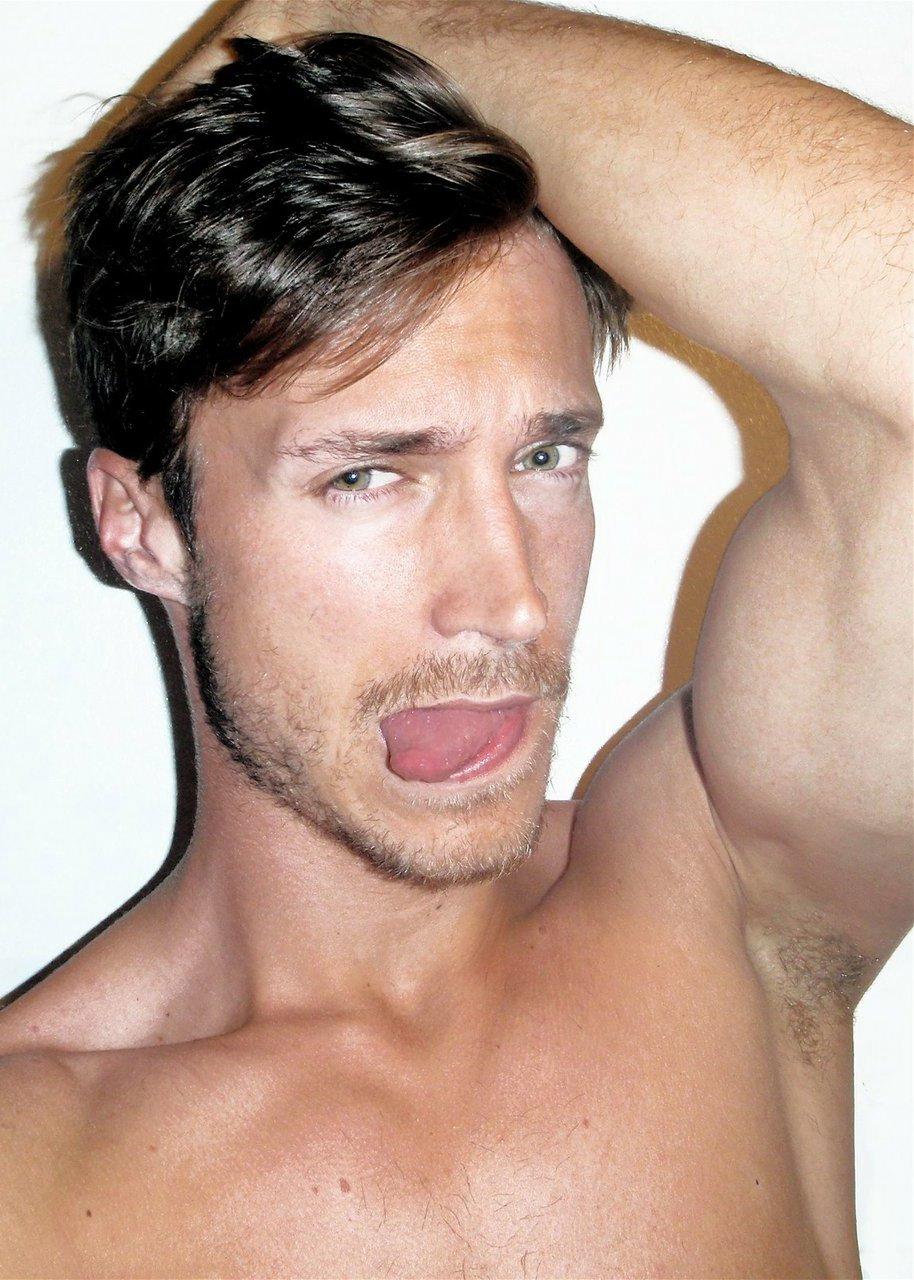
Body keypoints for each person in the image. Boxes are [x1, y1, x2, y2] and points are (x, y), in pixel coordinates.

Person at [1, 1, 910, 1275]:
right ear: (144, 525)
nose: (508, 601)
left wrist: (340, 17)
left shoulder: (729, 892)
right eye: (368, 474)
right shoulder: (32, 1181)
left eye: (544, 458)